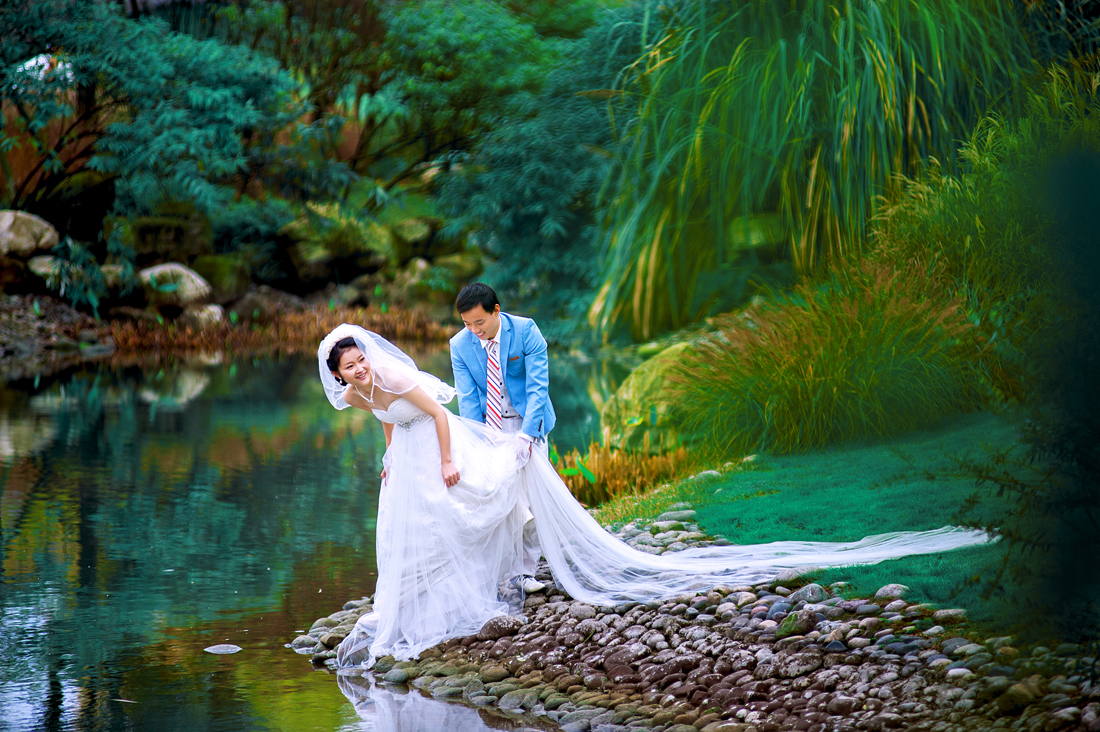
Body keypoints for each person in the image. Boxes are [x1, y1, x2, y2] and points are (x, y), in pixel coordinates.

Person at [319, 324, 992, 670]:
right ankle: (428, 594)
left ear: (367, 354)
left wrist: (445, 460)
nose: (358, 368)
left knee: (470, 502)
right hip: (406, 459)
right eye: (347, 366)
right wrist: (389, 461)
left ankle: (494, 573)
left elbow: (436, 415)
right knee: (415, 530)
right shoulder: (356, 394)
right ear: (339, 375)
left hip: (442, 445)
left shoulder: (394, 373)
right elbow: (386, 422)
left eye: (358, 359)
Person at [449, 283, 555, 594]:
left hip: (528, 424)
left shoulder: (525, 331)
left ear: (496, 310)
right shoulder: (460, 345)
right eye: (467, 324)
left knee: (531, 500)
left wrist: (527, 435)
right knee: (496, 500)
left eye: (479, 322)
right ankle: (493, 570)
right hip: (490, 429)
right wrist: (477, 440)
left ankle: (524, 572)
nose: (474, 330)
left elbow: (538, 388)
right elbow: (468, 398)